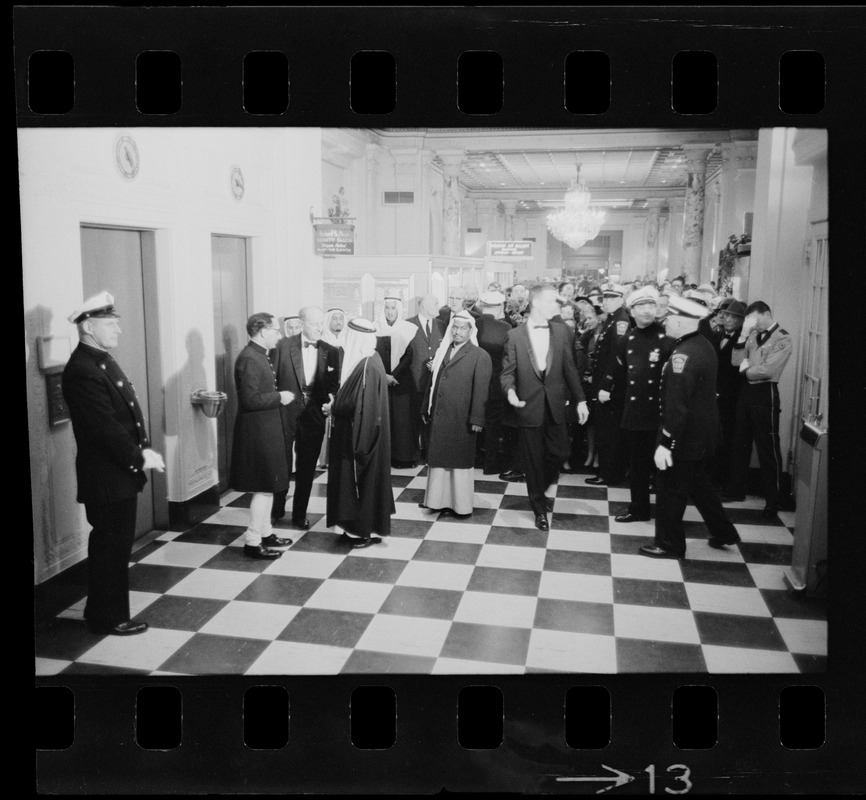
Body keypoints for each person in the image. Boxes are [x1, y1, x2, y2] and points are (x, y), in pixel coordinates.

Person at [62, 291, 166, 635]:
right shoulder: (83, 369)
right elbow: (104, 427)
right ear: (89, 327)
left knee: (113, 546)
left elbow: (123, 419)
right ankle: (110, 618)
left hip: (119, 474)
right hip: (107, 477)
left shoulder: (100, 360)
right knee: (111, 548)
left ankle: (100, 611)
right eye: (111, 324)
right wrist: (139, 455)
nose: (119, 330)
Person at [639, 294, 740, 559]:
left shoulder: (682, 356)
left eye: (670, 318)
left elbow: (677, 406)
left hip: (684, 439)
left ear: (684, 322)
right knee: (700, 486)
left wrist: (666, 444)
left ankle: (670, 544)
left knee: (670, 491)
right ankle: (724, 531)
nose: (665, 322)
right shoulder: (703, 344)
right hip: (703, 437)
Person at [501, 284, 589, 531]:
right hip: (528, 406)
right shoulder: (515, 335)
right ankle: (539, 508)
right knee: (532, 460)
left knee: (561, 453)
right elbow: (507, 372)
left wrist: (581, 400)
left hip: (555, 405)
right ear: (537, 303)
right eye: (553, 301)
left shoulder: (562, 332)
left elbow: (570, 369)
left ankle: (540, 487)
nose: (557, 306)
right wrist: (510, 392)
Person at [230, 313, 296, 559]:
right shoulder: (249, 358)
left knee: (269, 485)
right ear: (262, 331)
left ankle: (266, 533)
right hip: (257, 433)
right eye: (276, 330)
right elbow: (249, 400)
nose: (279, 335)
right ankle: (253, 541)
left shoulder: (259, 355)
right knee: (264, 488)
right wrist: (280, 397)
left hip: (266, 430)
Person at [270, 306, 341, 529]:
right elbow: (272, 380)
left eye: (322, 323)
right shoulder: (282, 346)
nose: (320, 328)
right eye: (314, 324)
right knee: (281, 462)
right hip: (285, 413)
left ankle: (299, 514)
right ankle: (276, 509)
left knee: (307, 466)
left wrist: (331, 401)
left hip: (314, 417)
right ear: (302, 324)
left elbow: (334, 386)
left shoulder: (332, 351)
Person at [326, 318, 395, 547]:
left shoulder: (366, 365)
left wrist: (333, 407)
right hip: (360, 433)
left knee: (360, 483)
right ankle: (355, 528)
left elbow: (361, 406)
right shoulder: (368, 360)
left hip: (360, 437)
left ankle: (362, 531)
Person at [723, 301, 794, 517]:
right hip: (746, 393)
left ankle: (773, 500)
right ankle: (736, 489)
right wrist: (743, 336)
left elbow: (768, 369)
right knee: (740, 442)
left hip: (765, 393)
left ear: (767, 314)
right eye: (749, 320)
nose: (753, 324)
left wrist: (747, 371)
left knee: (767, 446)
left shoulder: (782, 337)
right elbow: (736, 361)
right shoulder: (753, 334)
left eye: (755, 319)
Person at [613, 286, 675, 522]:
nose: (647, 311)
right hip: (635, 413)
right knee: (637, 466)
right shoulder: (626, 339)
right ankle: (639, 509)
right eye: (641, 306)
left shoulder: (666, 340)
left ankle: (667, 514)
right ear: (632, 311)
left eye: (651, 305)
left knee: (663, 468)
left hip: (659, 414)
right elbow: (621, 377)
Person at [422, 311, 492, 515]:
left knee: (459, 462)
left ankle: (460, 505)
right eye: (454, 327)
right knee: (439, 462)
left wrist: (477, 418)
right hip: (440, 416)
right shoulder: (443, 351)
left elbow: (481, 391)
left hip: (461, 418)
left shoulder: (480, 356)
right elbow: (433, 383)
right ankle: (437, 501)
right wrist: (426, 406)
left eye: (462, 328)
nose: (457, 332)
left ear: (471, 331)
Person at [587, 283, 631, 487]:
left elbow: (617, 357)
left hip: (610, 388)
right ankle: (608, 471)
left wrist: (607, 386)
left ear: (621, 300)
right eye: (605, 298)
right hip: (603, 383)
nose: (607, 301)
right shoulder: (612, 320)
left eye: (612, 298)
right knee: (605, 431)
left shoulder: (620, 322)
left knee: (609, 432)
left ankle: (609, 473)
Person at [374, 296, 419, 467]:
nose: (390, 312)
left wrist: (394, 376)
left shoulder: (408, 328)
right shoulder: (375, 327)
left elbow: (409, 356)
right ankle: (385, 457)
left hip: (402, 382)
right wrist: (384, 375)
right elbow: (373, 354)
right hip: (381, 380)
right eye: (387, 308)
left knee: (402, 421)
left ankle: (403, 458)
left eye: (393, 308)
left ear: (399, 310)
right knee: (384, 419)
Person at [474, 290, 514, 475]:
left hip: (474, 380)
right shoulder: (505, 327)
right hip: (496, 383)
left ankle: (474, 458)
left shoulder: (473, 324)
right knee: (492, 423)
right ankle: (490, 463)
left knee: (474, 418)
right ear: (499, 307)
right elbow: (509, 357)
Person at [405, 293, 446, 462]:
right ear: (424, 306)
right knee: (412, 419)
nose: (439, 305)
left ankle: (430, 454)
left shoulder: (443, 325)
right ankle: (412, 455)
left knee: (432, 418)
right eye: (435, 303)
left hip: (435, 381)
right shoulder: (407, 325)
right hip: (413, 382)